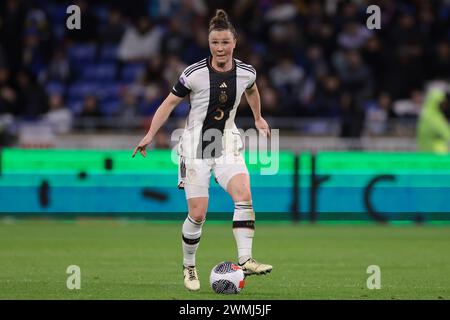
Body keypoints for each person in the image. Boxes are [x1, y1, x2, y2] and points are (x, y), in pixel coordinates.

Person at [132, 9, 273, 291]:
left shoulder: (246, 72)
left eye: (224, 42)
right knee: (198, 213)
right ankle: (189, 266)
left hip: (227, 144)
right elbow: (168, 104)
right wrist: (150, 134)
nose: (220, 48)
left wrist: (258, 118)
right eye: (214, 43)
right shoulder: (193, 74)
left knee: (244, 194)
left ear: (234, 42)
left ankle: (245, 259)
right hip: (195, 147)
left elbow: (253, 90)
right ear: (209, 45)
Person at [417, 87, 450, 153]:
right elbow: (447, 134)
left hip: (425, 151)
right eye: (443, 103)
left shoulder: (426, 114)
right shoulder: (432, 117)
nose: (445, 106)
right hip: (436, 153)